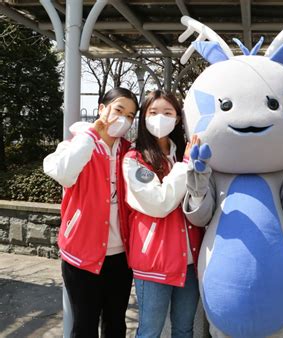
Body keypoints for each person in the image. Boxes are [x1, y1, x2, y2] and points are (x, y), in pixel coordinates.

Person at [43, 87, 139, 337]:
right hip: (81, 254)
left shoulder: (130, 152)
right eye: (118, 110)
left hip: (120, 255)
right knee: (84, 326)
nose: (123, 119)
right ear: (101, 109)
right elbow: (64, 173)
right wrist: (90, 135)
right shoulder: (76, 145)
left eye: (130, 116)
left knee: (115, 324)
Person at [122, 90, 204, 338]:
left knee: (184, 328)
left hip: (190, 259)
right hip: (154, 260)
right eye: (153, 112)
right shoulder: (135, 159)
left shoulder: (183, 154)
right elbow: (159, 202)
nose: (160, 118)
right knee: (150, 330)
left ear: (178, 118)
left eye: (168, 113)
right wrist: (185, 165)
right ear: (144, 117)